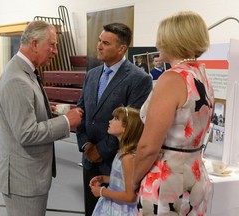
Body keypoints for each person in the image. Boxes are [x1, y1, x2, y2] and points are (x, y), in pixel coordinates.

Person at [0, 20, 83, 216]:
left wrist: (49, 112)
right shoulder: (17, 79)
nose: (55, 51)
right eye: (51, 45)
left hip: (29, 177)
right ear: (34, 43)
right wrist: (67, 121)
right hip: (23, 181)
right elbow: (26, 133)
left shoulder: (25, 72)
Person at [133, 11, 214, 215]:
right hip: (195, 177)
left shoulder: (172, 78)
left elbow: (148, 146)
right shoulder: (200, 74)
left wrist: (131, 181)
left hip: (167, 182)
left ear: (172, 40)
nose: (157, 43)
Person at [76, 22, 153, 216]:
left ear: (121, 48)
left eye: (106, 43)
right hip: (89, 160)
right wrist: (86, 146)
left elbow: (132, 123)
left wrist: (100, 151)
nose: (99, 46)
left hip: (116, 164)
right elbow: (80, 112)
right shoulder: (92, 75)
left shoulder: (139, 79)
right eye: (99, 41)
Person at [89, 106, 144, 216]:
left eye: (115, 119)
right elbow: (124, 180)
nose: (110, 121)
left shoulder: (128, 158)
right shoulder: (122, 151)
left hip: (121, 209)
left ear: (126, 127)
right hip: (112, 205)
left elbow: (130, 196)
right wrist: (104, 178)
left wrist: (102, 192)